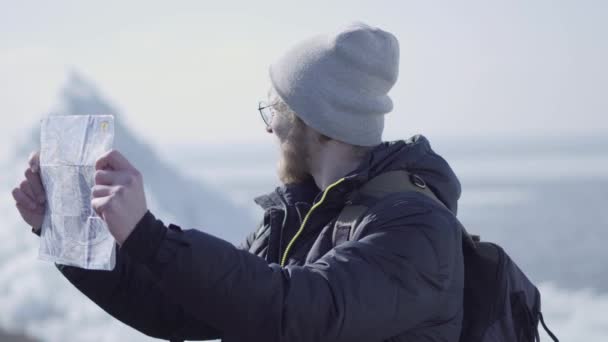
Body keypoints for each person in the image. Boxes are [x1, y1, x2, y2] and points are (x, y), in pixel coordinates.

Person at [12, 22, 464, 342]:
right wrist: (63, 232)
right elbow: (177, 309)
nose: (269, 130)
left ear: (313, 120)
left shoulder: (416, 229)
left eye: (275, 112)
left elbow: (296, 312)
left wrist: (149, 236)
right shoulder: (299, 217)